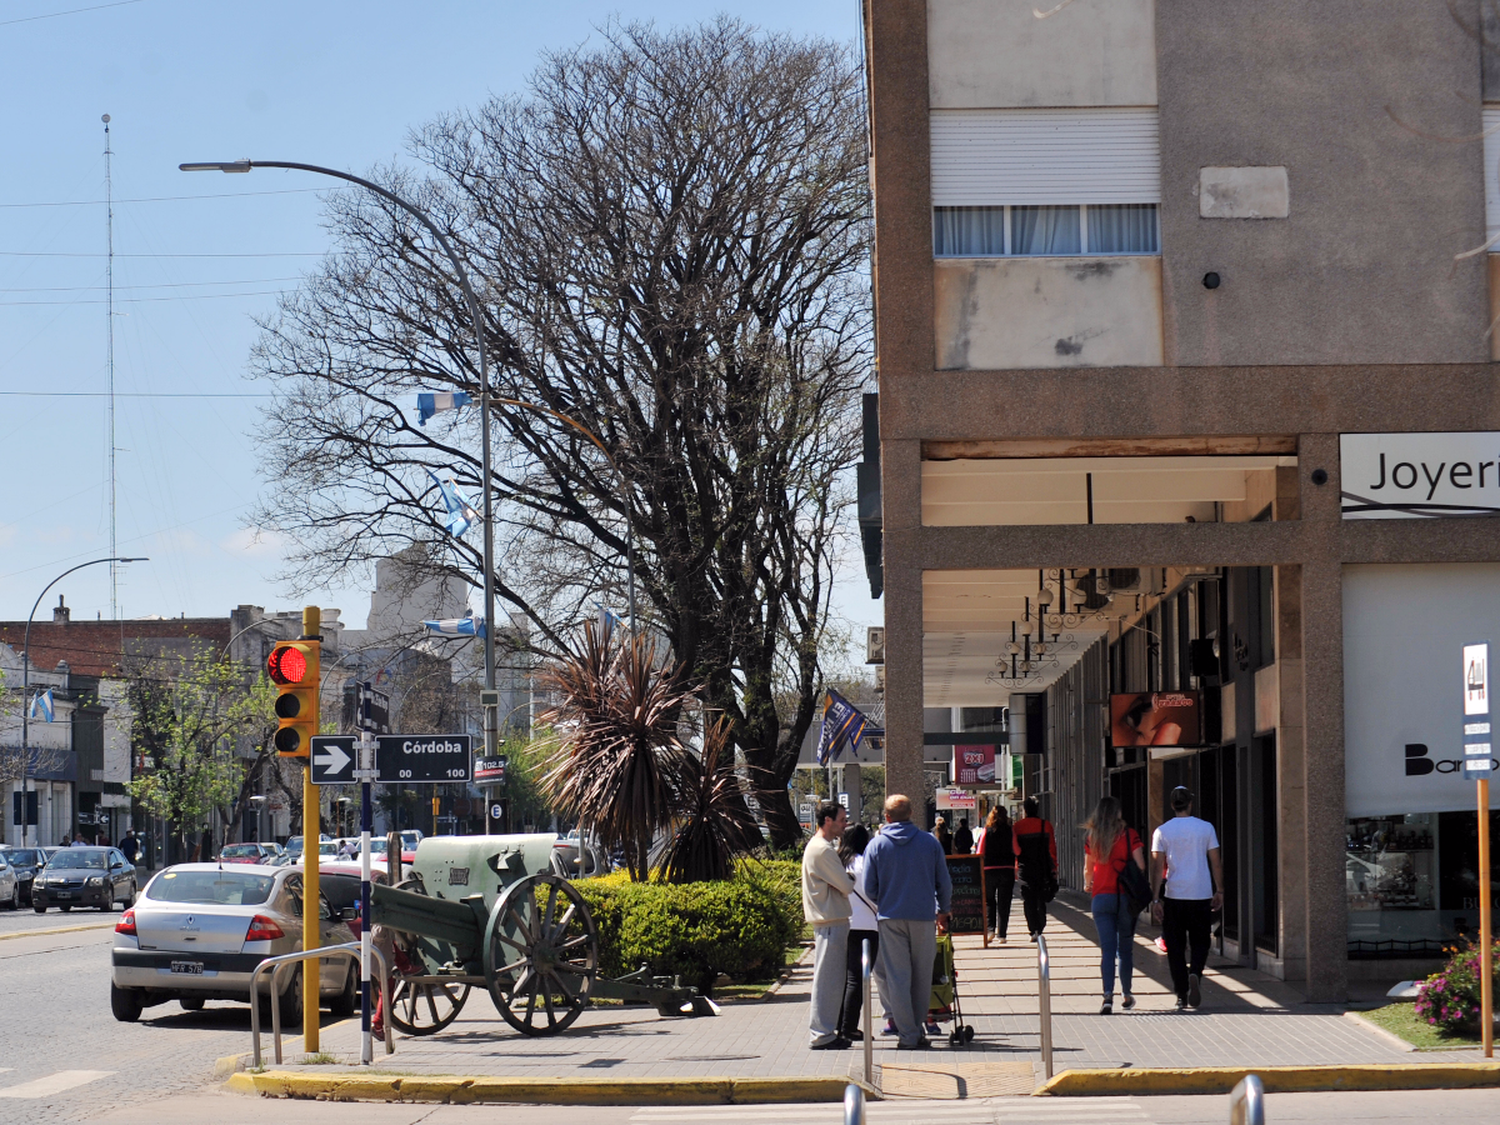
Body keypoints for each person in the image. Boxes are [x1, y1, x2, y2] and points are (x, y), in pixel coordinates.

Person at [865, 794, 952, 1050]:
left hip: (890, 918)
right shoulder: (929, 843)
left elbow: (869, 887)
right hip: (924, 917)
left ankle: (908, 1035)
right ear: (911, 814)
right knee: (922, 976)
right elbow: (944, 882)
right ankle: (917, 1030)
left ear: (887, 817)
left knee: (897, 977)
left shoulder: (877, 845)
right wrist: (943, 910)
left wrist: (884, 900)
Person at [1151, 786, 1224, 1011]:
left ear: (1173, 805)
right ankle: (1195, 973)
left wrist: (1155, 899)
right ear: (1190, 804)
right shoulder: (1205, 828)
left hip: (1174, 895)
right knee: (1201, 941)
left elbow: (1157, 867)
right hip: (1201, 894)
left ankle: (1182, 993)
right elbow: (1215, 861)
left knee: (1175, 946)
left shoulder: (1162, 831)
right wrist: (1219, 889)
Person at [1082, 796, 1147, 1015]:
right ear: (1118, 814)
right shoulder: (1130, 836)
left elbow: (1088, 870)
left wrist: (1087, 884)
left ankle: (1107, 996)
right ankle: (1126, 994)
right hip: (1125, 898)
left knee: (1107, 950)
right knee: (1125, 950)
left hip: (1101, 898)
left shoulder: (1093, 837)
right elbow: (1141, 865)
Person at [802, 801, 855, 1050]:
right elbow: (846, 885)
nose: (845, 824)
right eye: (842, 820)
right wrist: (848, 879)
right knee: (828, 981)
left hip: (830, 920)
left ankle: (826, 1031)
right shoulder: (823, 850)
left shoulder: (821, 848)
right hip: (830, 920)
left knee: (831, 980)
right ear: (828, 821)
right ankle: (822, 1033)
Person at [836, 824, 892, 1041]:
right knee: (857, 979)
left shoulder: (839, 864)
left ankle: (840, 1024)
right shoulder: (865, 864)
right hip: (867, 925)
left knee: (844, 978)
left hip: (843, 924)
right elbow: (874, 894)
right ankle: (849, 1026)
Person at [1013, 797, 1057, 941]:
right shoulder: (1046, 825)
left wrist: (1015, 867)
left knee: (1028, 899)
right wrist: (1054, 869)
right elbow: (1052, 849)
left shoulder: (1017, 827)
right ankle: (1040, 925)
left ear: (1025, 810)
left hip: (1025, 868)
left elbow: (1016, 849)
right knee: (1040, 898)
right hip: (1042, 868)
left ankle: (1033, 929)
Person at [980, 805, 1017, 943]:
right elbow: (1016, 850)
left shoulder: (986, 831)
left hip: (989, 869)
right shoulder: (1010, 831)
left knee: (989, 901)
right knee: (1004, 902)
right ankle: (1002, 934)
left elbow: (980, 852)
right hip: (1007, 869)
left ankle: (990, 930)